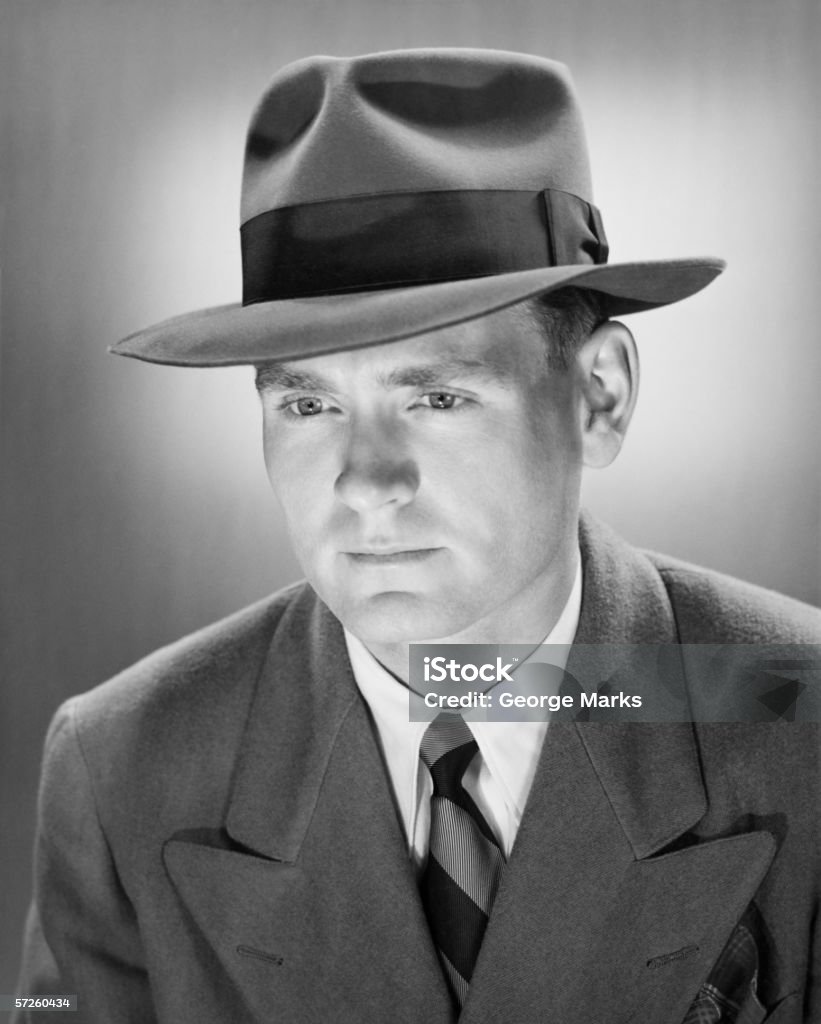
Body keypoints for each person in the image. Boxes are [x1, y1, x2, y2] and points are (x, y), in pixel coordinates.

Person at [14, 48, 820, 1024]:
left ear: (596, 397)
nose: (366, 483)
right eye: (307, 403)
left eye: (437, 395)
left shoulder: (792, 715)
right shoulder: (128, 763)